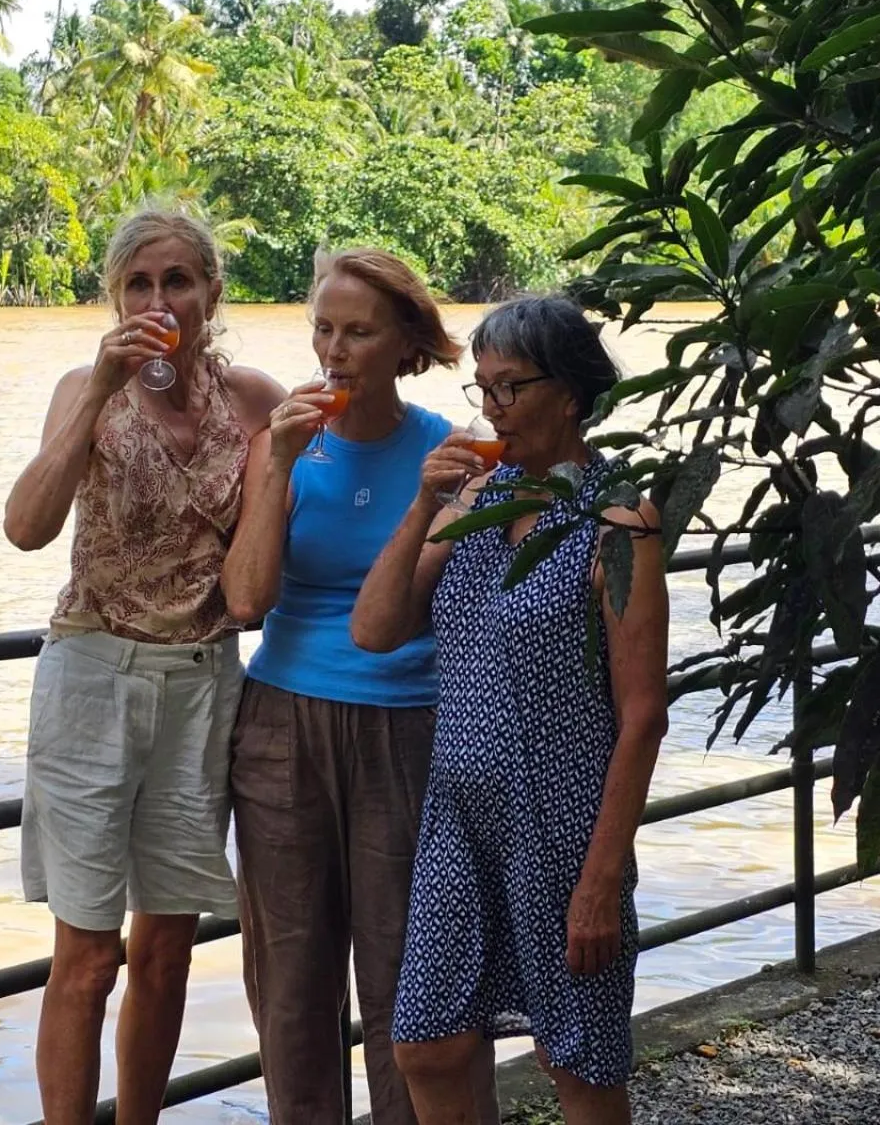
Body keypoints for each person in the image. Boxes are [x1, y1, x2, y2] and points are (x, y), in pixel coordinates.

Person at [350, 296, 671, 1125]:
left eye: (509, 389)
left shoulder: (618, 518)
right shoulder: (473, 501)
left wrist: (602, 879)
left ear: (568, 393)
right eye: (480, 390)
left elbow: (643, 716)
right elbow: (375, 630)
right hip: (459, 815)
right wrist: (424, 505)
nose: (491, 409)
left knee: (580, 1060)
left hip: (564, 824)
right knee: (425, 1041)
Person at [3, 208, 283, 1125]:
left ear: (211, 292)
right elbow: (25, 527)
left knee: (167, 952)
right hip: (91, 677)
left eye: (177, 281)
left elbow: (280, 544)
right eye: (139, 284)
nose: (159, 300)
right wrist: (99, 391)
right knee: (87, 959)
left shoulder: (251, 402)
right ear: (114, 296)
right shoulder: (85, 388)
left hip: (204, 683)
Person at [221, 248, 499, 1124]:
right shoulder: (286, 444)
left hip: (408, 727)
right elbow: (244, 600)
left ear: (406, 343)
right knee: (292, 980)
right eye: (322, 329)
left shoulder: (446, 453)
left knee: (405, 977)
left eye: (358, 332)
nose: (333, 351)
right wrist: (277, 466)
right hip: (282, 727)